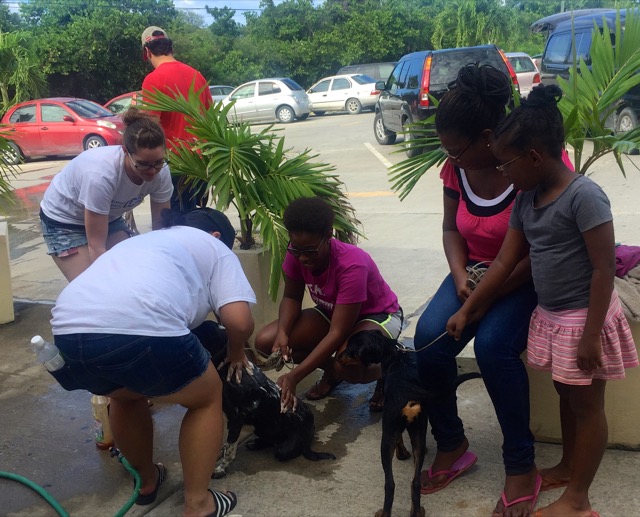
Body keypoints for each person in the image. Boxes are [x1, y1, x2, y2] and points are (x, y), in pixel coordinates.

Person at [447, 84, 638, 517]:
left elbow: (605, 269)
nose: (502, 173)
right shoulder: (526, 199)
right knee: (566, 396)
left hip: (584, 320)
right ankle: (570, 467)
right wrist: (466, 311)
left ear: (533, 157)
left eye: (506, 164)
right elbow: (501, 265)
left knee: (588, 408)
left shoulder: (584, 197)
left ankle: (578, 501)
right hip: (554, 317)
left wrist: (591, 335)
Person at [49, 207, 255, 517]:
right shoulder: (215, 247)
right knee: (206, 396)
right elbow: (238, 322)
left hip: (66, 332)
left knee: (126, 396)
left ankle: (146, 482)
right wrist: (236, 353)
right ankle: (198, 504)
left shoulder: (145, 243)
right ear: (217, 237)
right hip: (141, 325)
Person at [413, 64, 542, 517]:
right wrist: (459, 274)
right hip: (477, 272)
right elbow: (451, 228)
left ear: (488, 136)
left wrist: (484, 295)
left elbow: (540, 249)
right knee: (427, 341)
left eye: (456, 149)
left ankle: (521, 465)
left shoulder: (531, 160)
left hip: (525, 277)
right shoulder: (458, 171)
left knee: (492, 348)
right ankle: (453, 443)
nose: (450, 158)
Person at [254, 196, 402, 412]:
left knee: (349, 367)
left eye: (310, 251)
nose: (302, 258)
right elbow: (292, 297)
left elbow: (338, 332)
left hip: (377, 316)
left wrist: (295, 376)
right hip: (331, 312)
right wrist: (283, 332)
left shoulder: (352, 264)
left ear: (328, 235)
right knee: (266, 341)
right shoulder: (296, 252)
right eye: (297, 250)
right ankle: (333, 373)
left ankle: (390, 367)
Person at [39, 108, 173, 281]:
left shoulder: (161, 173)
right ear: (126, 152)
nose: (152, 171)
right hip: (64, 222)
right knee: (91, 286)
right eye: (143, 164)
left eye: (158, 162)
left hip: (109, 218)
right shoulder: (101, 175)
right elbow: (97, 247)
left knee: (136, 273)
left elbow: (161, 231)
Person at [141, 26, 212, 212]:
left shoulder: (153, 79)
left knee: (173, 222)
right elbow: (210, 119)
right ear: (171, 48)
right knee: (194, 217)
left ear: (147, 51)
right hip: (200, 163)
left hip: (175, 166)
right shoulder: (197, 76)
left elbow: (151, 127)